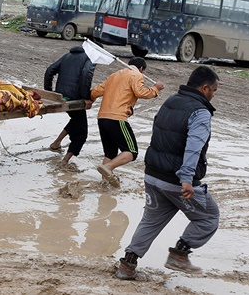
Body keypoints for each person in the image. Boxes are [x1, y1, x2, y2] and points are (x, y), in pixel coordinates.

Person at [116, 66, 220, 279]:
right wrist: (187, 178)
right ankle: (180, 254)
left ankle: (127, 265)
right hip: (176, 180)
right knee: (208, 217)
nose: (213, 96)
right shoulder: (200, 112)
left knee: (150, 221)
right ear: (205, 87)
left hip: (153, 175)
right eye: (213, 91)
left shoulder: (170, 101)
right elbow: (194, 146)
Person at [90, 57, 165, 187]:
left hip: (102, 117)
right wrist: (155, 88)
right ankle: (108, 168)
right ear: (142, 68)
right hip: (117, 118)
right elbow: (140, 92)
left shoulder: (114, 75)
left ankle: (104, 182)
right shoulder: (136, 75)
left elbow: (97, 91)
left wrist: (90, 98)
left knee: (110, 152)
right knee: (132, 152)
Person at [44, 45, 95, 166]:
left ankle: (56, 143)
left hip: (62, 96)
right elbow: (86, 75)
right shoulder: (90, 58)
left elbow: (49, 70)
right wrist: (86, 97)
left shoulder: (67, 56)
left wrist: (50, 92)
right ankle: (65, 162)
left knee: (76, 120)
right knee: (82, 133)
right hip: (75, 97)